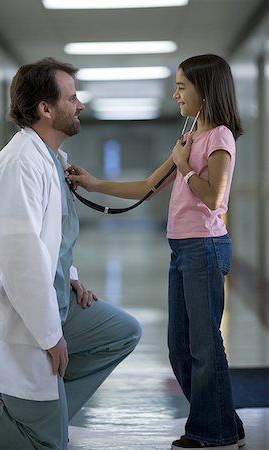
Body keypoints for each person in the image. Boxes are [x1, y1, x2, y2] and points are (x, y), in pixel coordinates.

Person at [68, 54, 245, 450]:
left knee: (203, 344)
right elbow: (148, 185)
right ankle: (224, 420)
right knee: (179, 346)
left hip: (204, 247)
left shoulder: (219, 137)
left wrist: (184, 167)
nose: (175, 94)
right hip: (182, 249)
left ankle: (211, 431)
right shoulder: (190, 136)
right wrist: (94, 184)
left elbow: (215, 199)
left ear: (206, 89)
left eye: (182, 87)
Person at [0, 57, 141, 450]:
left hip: (57, 296)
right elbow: (21, 258)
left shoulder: (51, 160)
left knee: (121, 332)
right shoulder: (20, 165)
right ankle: (37, 423)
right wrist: (50, 336)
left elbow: (55, 236)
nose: (80, 105)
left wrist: (72, 275)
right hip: (22, 308)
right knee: (44, 443)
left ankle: (49, 415)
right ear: (45, 109)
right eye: (72, 97)